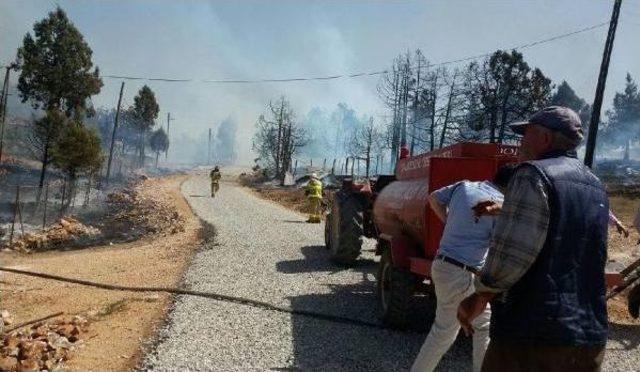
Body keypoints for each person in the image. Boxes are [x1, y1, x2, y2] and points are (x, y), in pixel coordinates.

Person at [458, 106, 609, 372]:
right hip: (589, 335)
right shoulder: (596, 185)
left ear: (546, 139)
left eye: (525, 135)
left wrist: (480, 294)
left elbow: (515, 252)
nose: (520, 143)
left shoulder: (532, 175)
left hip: (533, 336)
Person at [411, 164, 517, 372]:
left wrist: (449, 220)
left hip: (442, 265)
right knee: (478, 328)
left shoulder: (465, 186)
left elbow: (433, 198)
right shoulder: (499, 204)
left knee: (445, 332)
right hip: (463, 272)